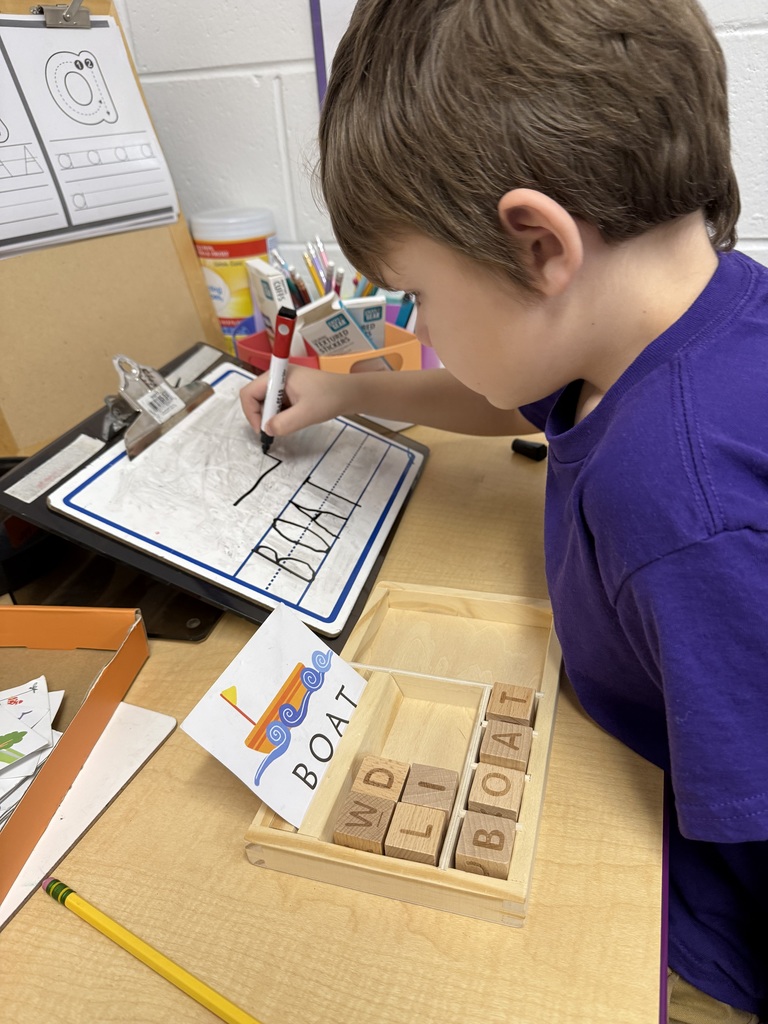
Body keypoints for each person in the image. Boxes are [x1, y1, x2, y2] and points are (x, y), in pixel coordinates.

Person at [240, 1, 768, 1019]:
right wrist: (351, 389)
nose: (421, 328)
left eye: (418, 300)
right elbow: (513, 392)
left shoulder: (681, 507)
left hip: (701, 910)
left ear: (538, 245)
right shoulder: (664, 320)